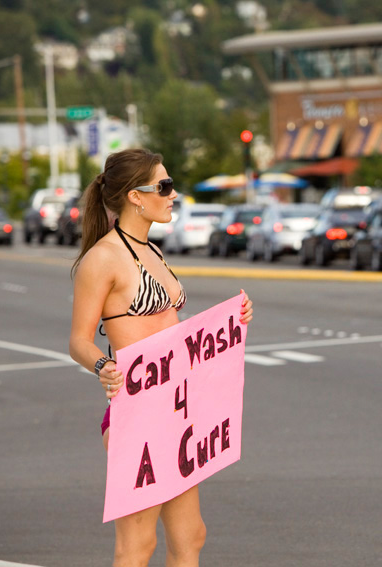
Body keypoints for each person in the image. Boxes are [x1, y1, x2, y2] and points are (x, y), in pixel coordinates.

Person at [69, 148, 254, 567]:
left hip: (179, 411)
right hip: (137, 413)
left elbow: (174, 330)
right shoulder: (101, 259)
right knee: (137, 548)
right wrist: (104, 366)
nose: (173, 195)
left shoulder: (152, 250)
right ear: (136, 195)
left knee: (191, 537)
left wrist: (234, 320)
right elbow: (79, 339)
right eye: (165, 186)